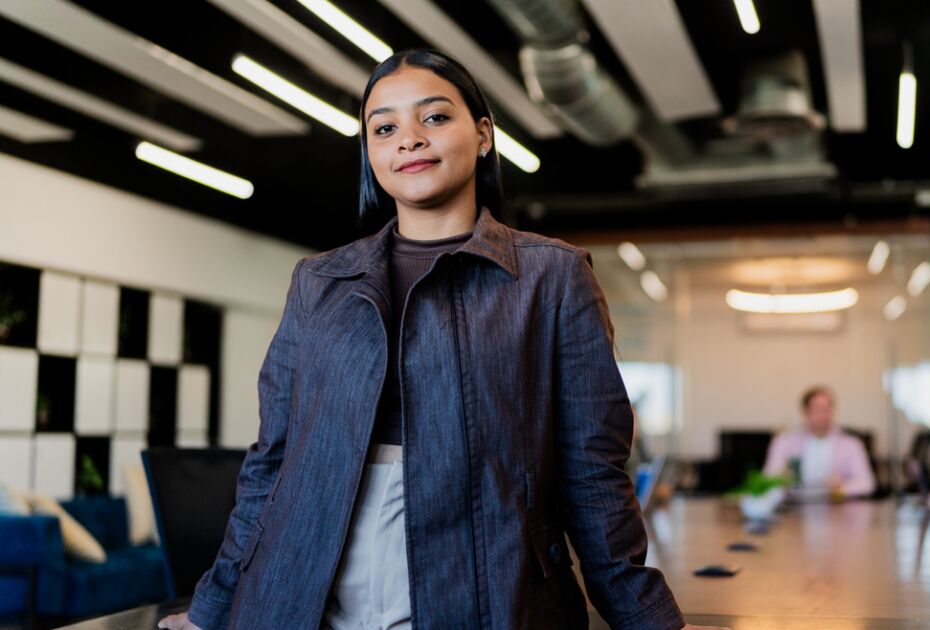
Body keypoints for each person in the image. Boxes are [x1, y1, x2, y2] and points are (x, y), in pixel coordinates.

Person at [158, 49, 712, 630]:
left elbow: (593, 472)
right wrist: (210, 610)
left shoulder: (553, 276)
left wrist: (650, 620)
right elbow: (271, 464)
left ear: (483, 136)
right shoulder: (318, 281)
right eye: (385, 127)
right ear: (370, 153)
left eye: (435, 117)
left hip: (487, 592)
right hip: (300, 591)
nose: (409, 139)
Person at [763, 386, 876, 498]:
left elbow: (866, 483)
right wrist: (782, 480)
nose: (824, 415)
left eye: (828, 409)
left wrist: (841, 489)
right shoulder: (784, 442)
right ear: (805, 412)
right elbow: (768, 479)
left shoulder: (851, 444)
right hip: (795, 508)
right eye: (818, 409)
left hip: (836, 507)